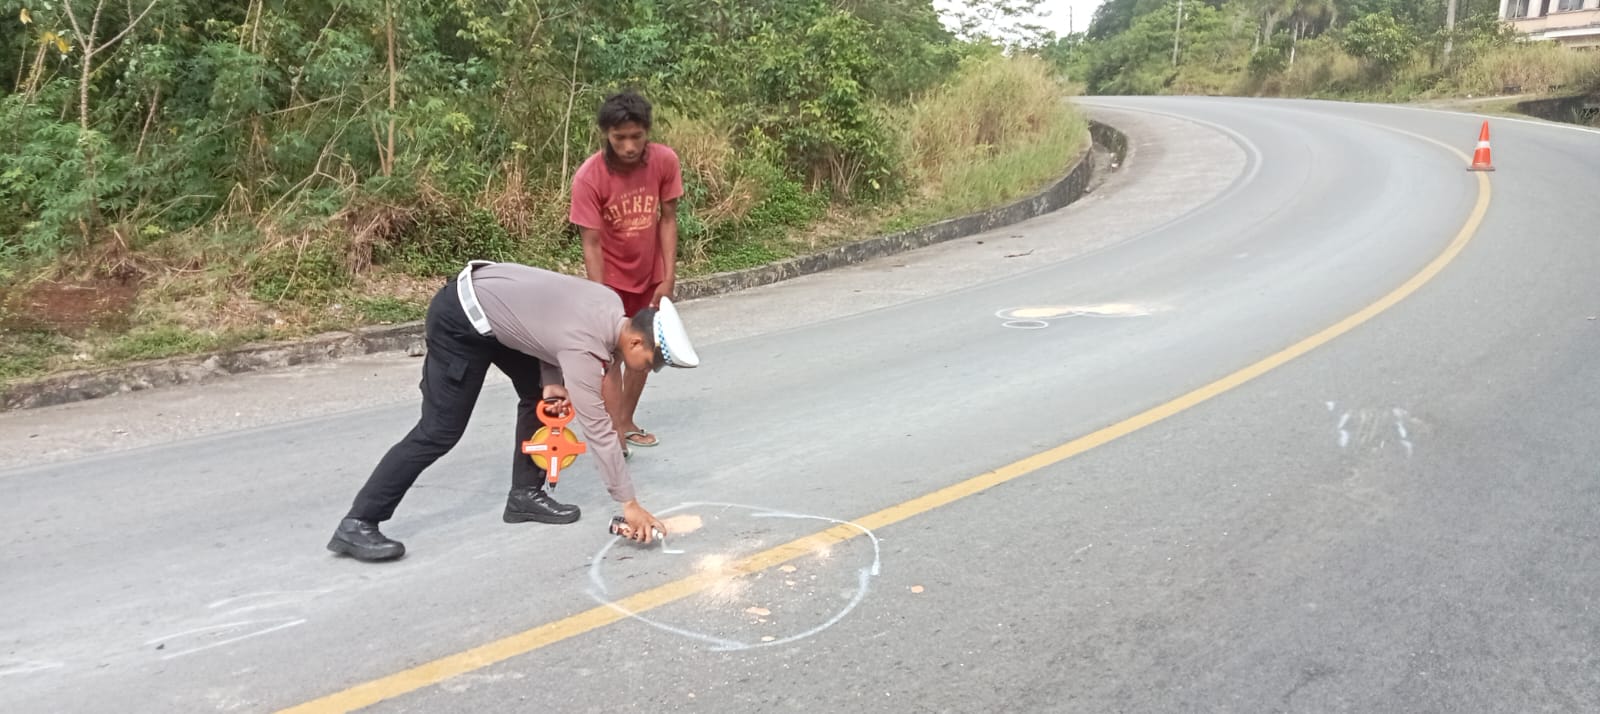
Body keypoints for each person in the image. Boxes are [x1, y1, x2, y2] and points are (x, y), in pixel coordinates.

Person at [327, 260, 699, 562]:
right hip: (460, 318)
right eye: (653, 361)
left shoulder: (609, 304)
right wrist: (629, 503)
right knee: (440, 430)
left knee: (542, 396)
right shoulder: (585, 350)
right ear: (635, 340)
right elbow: (599, 428)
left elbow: (548, 326)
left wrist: (551, 378)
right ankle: (358, 521)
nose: (650, 370)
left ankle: (524, 497)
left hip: (497, 317)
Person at [570, 90, 684, 453]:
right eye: (620, 138)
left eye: (637, 136)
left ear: (647, 131)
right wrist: (598, 296)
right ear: (605, 134)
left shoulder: (664, 161)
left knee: (644, 353)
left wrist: (667, 276)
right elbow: (591, 242)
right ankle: (613, 436)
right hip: (611, 281)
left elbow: (668, 219)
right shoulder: (590, 177)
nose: (630, 145)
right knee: (611, 360)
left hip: (649, 278)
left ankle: (624, 422)